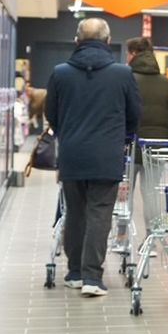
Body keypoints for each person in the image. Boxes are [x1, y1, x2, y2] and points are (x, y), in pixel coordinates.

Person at [43, 17, 141, 298]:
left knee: (75, 212)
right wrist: (120, 137)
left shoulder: (60, 73)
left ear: (77, 41)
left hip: (72, 154)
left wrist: (67, 133)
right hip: (107, 154)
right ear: (108, 41)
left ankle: (74, 273)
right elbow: (134, 114)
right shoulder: (123, 74)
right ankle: (92, 277)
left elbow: (51, 113)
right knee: (100, 213)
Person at [127, 37, 168, 139]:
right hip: (160, 140)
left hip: (132, 140)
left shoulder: (127, 81)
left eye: (127, 54)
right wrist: (163, 131)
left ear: (133, 54)